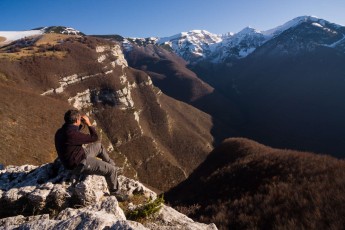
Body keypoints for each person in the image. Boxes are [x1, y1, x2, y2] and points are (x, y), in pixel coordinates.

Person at [55, 109, 128, 201]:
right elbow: (94, 137)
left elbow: (74, 132)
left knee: (99, 146)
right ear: (77, 120)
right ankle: (116, 193)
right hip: (79, 164)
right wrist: (89, 123)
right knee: (111, 170)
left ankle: (112, 169)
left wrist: (80, 124)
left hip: (76, 156)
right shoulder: (72, 135)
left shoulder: (60, 131)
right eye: (79, 119)